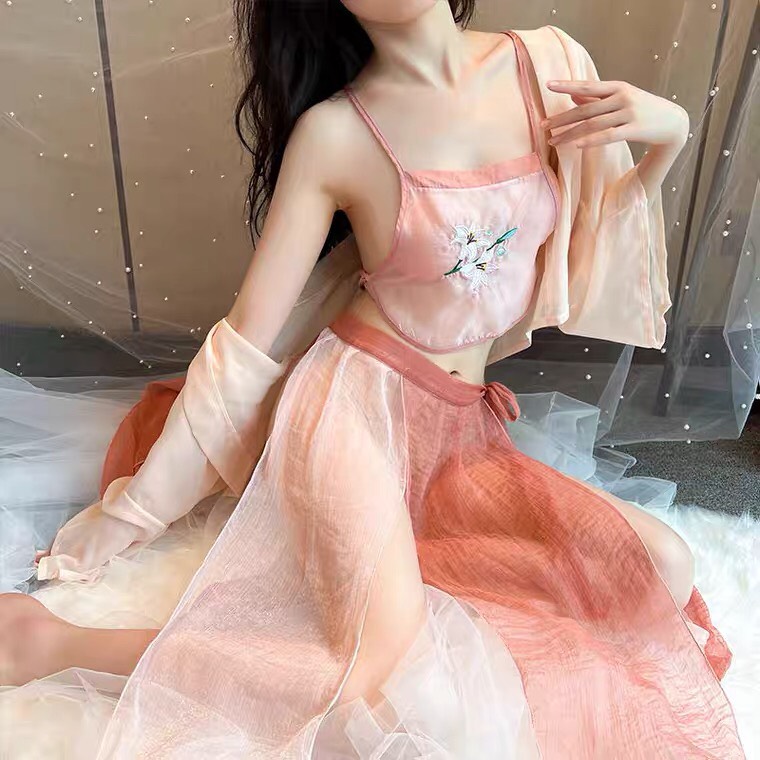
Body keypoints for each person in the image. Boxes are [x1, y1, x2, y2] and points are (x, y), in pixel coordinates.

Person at [0, 0, 744, 757]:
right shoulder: (337, 134)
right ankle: (53, 643)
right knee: (377, 676)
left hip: (459, 428)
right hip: (349, 416)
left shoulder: (546, 66)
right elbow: (245, 344)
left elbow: (588, 243)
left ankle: (420, 580)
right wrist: (132, 515)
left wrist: (669, 135)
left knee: (664, 566)